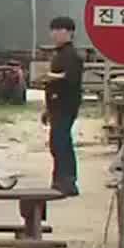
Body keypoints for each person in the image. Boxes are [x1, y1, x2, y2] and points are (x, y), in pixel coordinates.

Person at [39, 14, 84, 196]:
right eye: (53, 30)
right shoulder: (58, 54)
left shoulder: (72, 55)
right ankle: (59, 179)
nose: (55, 34)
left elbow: (70, 78)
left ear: (69, 33)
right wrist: (47, 109)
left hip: (66, 105)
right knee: (56, 143)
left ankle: (68, 180)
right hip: (55, 105)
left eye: (59, 30)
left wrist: (49, 76)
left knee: (62, 142)